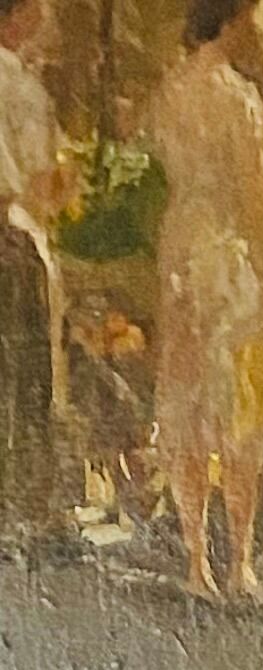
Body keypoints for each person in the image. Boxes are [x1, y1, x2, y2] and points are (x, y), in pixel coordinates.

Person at [148, 0, 263, 600]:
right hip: (228, 259)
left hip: (181, 249)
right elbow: (255, 197)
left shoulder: (171, 90)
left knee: (187, 405)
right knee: (239, 411)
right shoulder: (237, 97)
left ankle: (195, 562)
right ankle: (239, 560)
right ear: (231, 23)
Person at [0, 0, 67, 542]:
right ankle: (27, 512)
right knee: (25, 381)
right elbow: (43, 187)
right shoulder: (22, 87)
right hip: (13, 237)